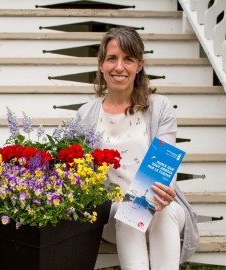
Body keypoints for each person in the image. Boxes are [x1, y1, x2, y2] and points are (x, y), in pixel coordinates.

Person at [76, 27, 199, 269]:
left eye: (128, 59)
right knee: (129, 210)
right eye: (112, 58)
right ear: (101, 64)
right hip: (112, 215)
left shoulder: (159, 107)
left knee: (161, 212)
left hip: (161, 203)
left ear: (139, 65)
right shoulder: (86, 115)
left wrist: (159, 194)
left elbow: (165, 162)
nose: (119, 67)